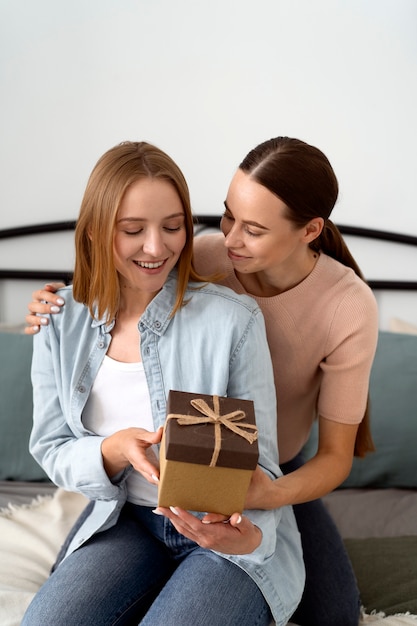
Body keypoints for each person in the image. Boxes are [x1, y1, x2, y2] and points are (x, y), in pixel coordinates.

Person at [25, 136, 379, 626]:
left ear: (309, 231)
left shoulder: (321, 308)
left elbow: (307, 460)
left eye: (253, 229)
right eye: (227, 216)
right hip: (128, 510)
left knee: (335, 612)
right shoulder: (201, 258)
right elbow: (120, 272)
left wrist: (260, 510)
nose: (231, 239)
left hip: (259, 477)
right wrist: (58, 305)